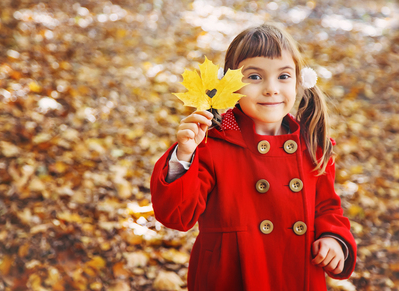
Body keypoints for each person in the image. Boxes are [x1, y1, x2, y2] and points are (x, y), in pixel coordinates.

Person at [150, 23, 356, 291]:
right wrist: (185, 154)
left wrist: (333, 239)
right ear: (230, 84)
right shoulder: (213, 143)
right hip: (230, 278)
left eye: (283, 76)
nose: (271, 88)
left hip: (297, 276)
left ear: (300, 80)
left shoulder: (312, 146)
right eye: (255, 77)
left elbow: (327, 208)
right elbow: (176, 216)